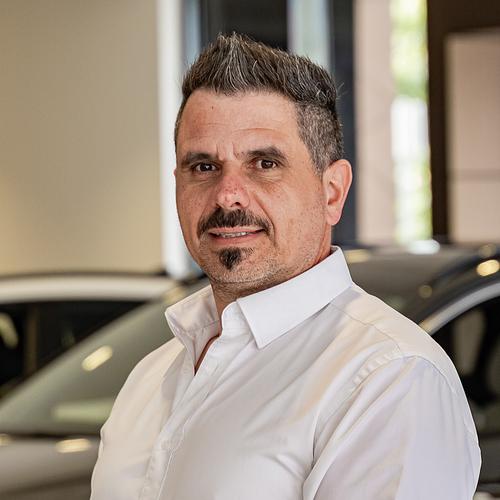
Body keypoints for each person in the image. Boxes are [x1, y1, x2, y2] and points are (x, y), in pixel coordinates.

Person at [90, 33, 480, 500]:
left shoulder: (389, 377)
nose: (228, 195)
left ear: (332, 192)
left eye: (264, 163)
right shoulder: (152, 376)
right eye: (203, 167)